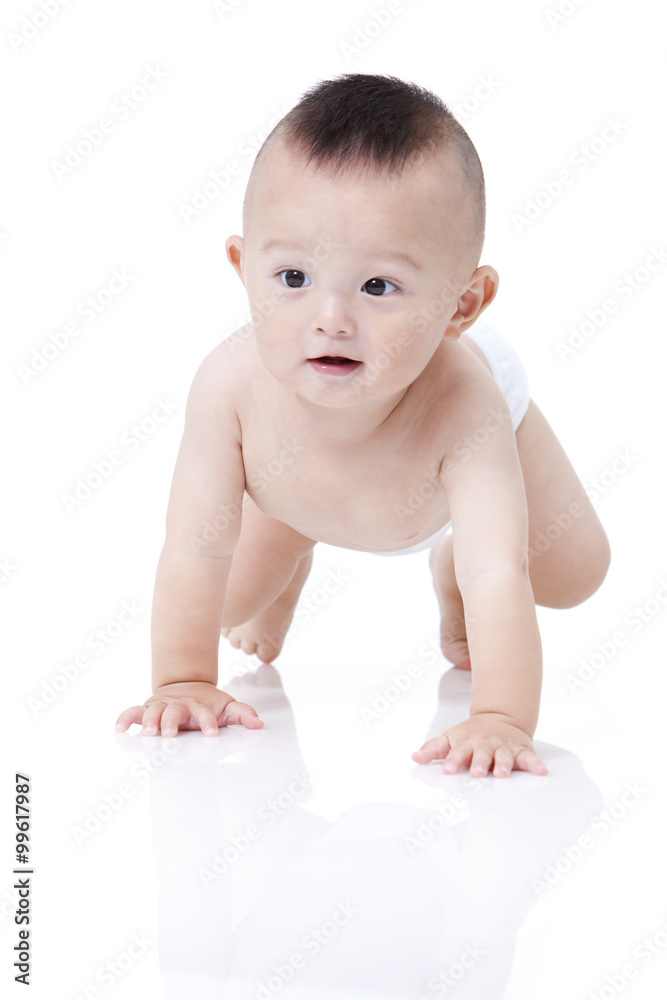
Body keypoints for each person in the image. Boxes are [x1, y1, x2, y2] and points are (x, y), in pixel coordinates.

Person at [115, 74, 610, 778]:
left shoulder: (467, 402)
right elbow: (193, 547)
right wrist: (182, 680)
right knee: (221, 602)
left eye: (377, 287)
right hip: (299, 481)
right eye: (291, 278)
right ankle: (293, 541)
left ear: (462, 306)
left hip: (451, 452)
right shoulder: (228, 387)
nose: (330, 319)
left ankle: (446, 572)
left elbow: (497, 570)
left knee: (571, 572)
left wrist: (498, 718)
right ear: (242, 266)